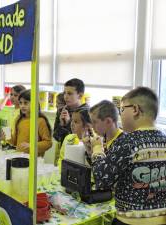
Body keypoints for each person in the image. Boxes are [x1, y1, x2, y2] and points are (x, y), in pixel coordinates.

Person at [88, 87, 166, 225]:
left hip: (129, 221)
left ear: (135, 109)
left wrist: (97, 149)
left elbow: (102, 179)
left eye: (122, 110)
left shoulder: (127, 141)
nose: (120, 115)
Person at [8, 90, 52, 156]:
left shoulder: (40, 121)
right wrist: (6, 137)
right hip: (19, 157)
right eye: (20, 103)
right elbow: (14, 142)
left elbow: (48, 143)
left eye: (25, 103)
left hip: (34, 161)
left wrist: (32, 145)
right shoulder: (19, 119)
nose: (22, 106)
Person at [53, 78, 87, 143]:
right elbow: (56, 137)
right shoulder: (62, 111)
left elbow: (81, 139)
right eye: (64, 93)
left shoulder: (86, 112)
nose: (65, 96)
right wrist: (62, 125)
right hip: (64, 151)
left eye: (69, 93)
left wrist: (68, 123)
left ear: (80, 96)